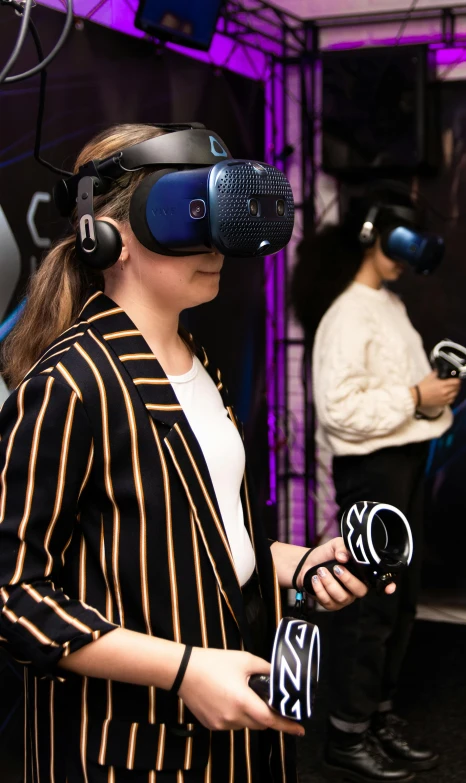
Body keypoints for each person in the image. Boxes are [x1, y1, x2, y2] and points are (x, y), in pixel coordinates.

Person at [0, 124, 387, 783]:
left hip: (236, 729)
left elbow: (205, 541)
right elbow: (13, 594)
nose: (214, 246)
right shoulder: (72, 384)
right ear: (109, 238)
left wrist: (304, 563)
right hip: (130, 751)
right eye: (187, 218)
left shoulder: (196, 360)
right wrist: (183, 669)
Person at [291, 190, 461, 783]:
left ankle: (376, 719)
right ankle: (345, 736)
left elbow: (406, 396)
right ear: (373, 234)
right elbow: (339, 410)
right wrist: (417, 397)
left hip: (404, 463)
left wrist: (430, 395)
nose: (406, 254)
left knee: (401, 598)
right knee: (371, 605)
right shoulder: (347, 312)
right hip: (372, 470)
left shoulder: (387, 303)